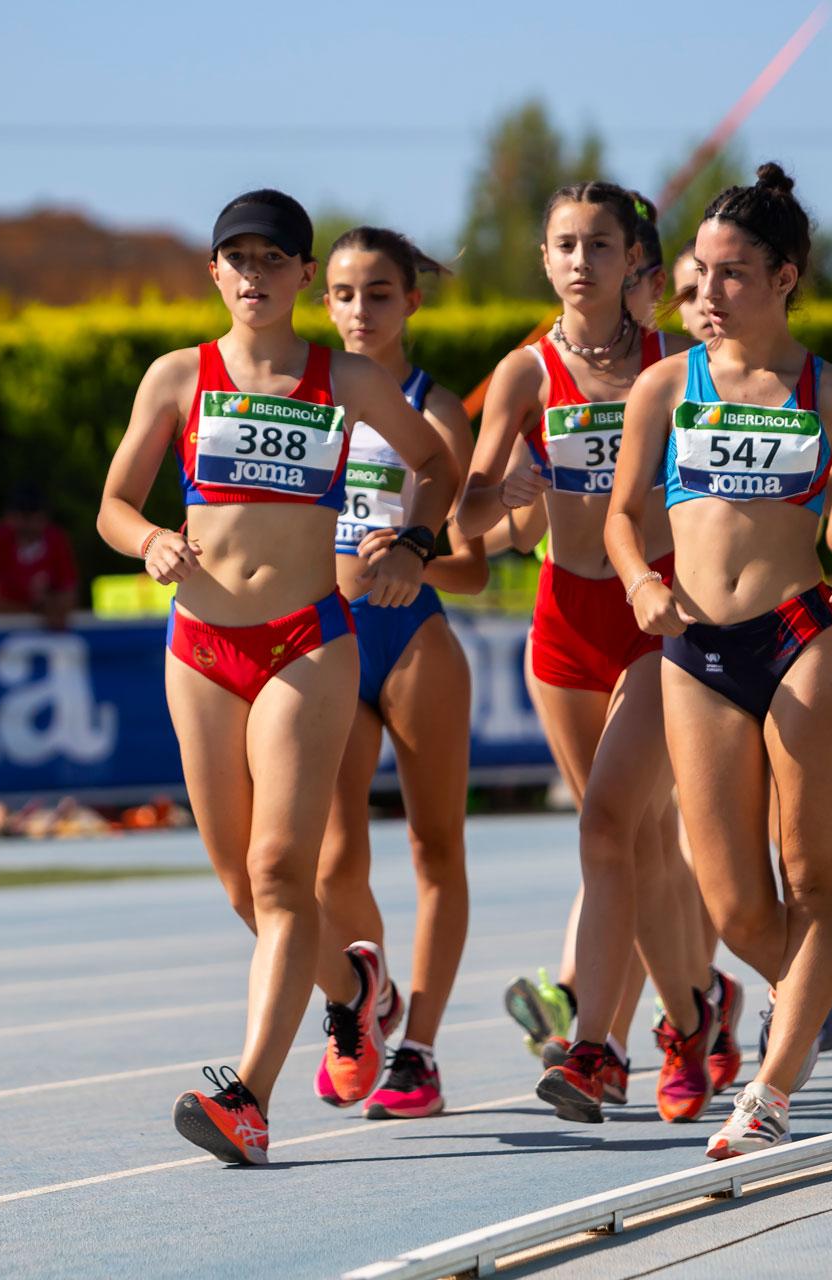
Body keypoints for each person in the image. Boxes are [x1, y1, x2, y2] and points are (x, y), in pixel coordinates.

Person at [98, 189, 456, 1164]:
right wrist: (151, 540)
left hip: (307, 639)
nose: (254, 276)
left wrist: (412, 544)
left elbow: (436, 461)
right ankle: (356, 993)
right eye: (237, 259)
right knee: (235, 884)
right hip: (202, 648)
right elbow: (113, 502)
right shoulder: (179, 376)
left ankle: (247, 1096)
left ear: (303, 275)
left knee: (277, 869)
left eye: (272, 260)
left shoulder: (340, 378)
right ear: (215, 274)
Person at [608, 162, 832, 1157]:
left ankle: (770, 1090)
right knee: (734, 903)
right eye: (698, 273)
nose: (707, 294)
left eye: (732, 274)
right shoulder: (663, 386)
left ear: (786, 277)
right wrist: (643, 584)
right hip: (694, 649)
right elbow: (619, 519)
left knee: (813, 879)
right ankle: (805, 992)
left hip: (799, 637)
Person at [457, 184, 722, 1127]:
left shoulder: (680, 364)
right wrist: (500, 490)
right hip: (562, 624)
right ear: (544, 260)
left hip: (655, 614)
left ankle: (597, 1050)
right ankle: (691, 1021)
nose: (580, 261)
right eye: (564, 244)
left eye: (599, 245)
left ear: (631, 262)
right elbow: (471, 510)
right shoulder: (526, 373)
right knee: (636, 843)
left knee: (610, 828)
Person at [312, 226, 485, 1120]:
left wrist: (416, 553)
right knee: (332, 859)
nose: (358, 311)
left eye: (378, 294)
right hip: (325, 638)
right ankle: (368, 1001)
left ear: (411, 302)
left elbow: (473, 561)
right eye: (343, 294)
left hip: (412, 638)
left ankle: (418, 1049)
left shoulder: (435, 407)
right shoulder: (302, 396)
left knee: (434, 849)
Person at [0, 485, 79, 629]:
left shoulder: (56, 540)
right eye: (21, 514)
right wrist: (36, 609)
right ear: (8, 516)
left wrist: (46, 605)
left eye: (33, 514)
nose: (27, 524)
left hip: (39, 631)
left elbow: (69, 596)